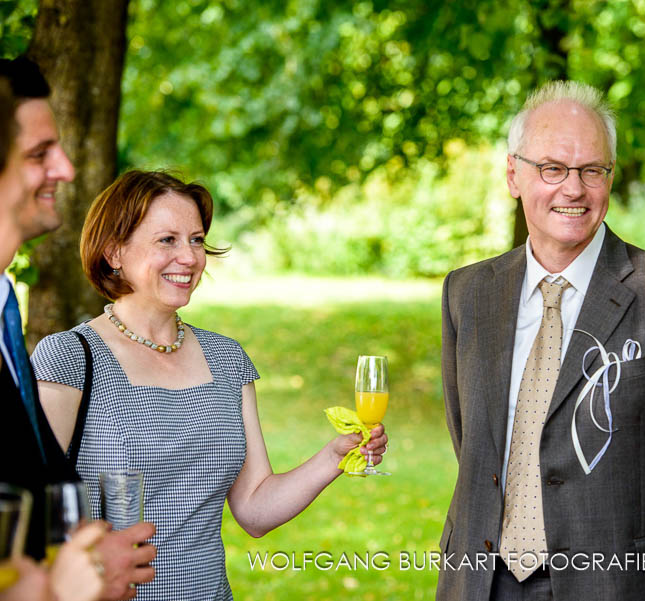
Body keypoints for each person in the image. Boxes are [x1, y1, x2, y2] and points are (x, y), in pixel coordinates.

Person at [437, 80, 645, 601]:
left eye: (591, 171)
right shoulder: (467, 292)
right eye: (552, 169)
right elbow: (473, 439)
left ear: (609, 176)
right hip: (483, 581)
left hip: (623, 583)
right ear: (514, 174)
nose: (573, 189)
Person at [30, 168, 389, 600]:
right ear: (114, 252)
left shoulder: (227, 359)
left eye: (196, 239)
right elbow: (32, 516)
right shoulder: (68, 358)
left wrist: (334, 457)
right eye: (168, 240)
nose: (190, 257)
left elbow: (255, 509)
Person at [0, 57, 156, 601]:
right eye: (41, 154)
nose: (66, 169)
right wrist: (59, 589)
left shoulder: (5, 312)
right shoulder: (68, 352)